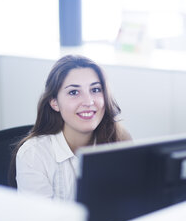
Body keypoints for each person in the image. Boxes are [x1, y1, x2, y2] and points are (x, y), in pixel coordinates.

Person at [8, 55, 132, 201]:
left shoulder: (118, 138)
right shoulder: (34, 155)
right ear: (54, 103)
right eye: (74, 92)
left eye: (95, 89)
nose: (88, 101)